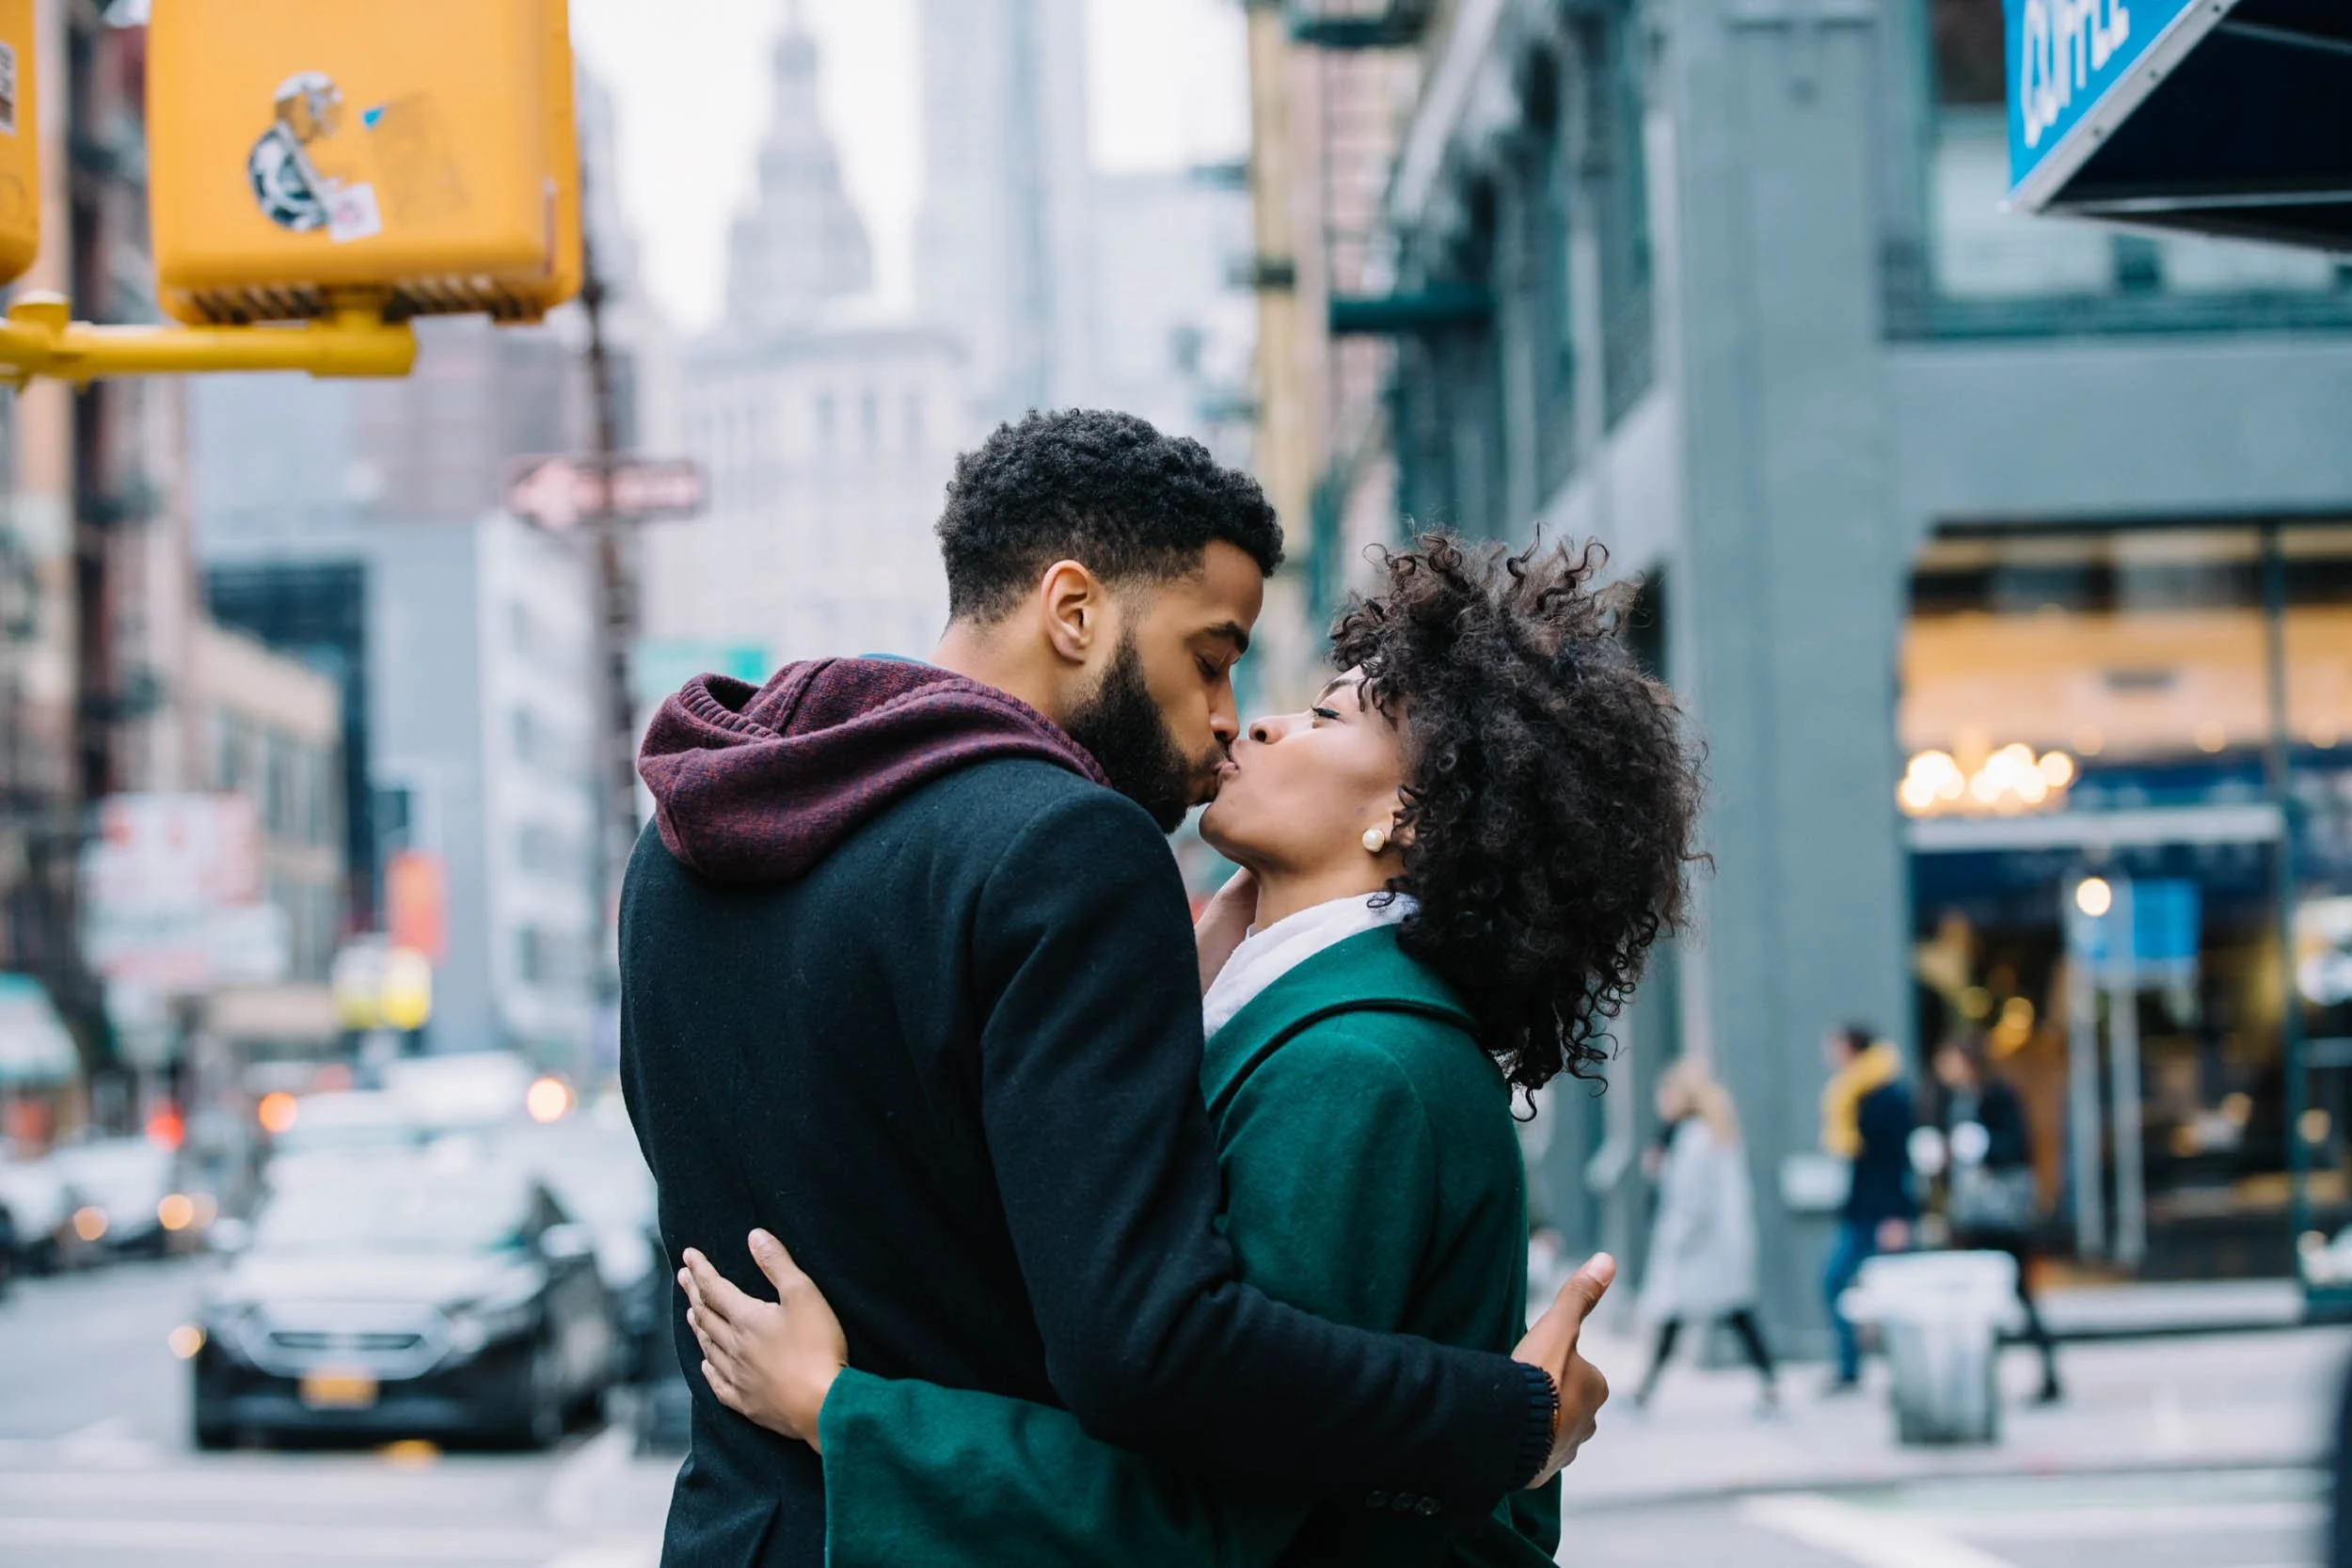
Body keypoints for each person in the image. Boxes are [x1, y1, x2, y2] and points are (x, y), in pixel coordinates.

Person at [622, 415, 1619, 1568]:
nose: (1223, 714)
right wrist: (1501, 1413)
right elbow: (1150, 1348)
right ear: (1075, 610)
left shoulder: (686, 839)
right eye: (1209, 655)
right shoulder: (1065, 848)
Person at [1632, 1059, 1777, 1414]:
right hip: (1716, 1248)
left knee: (1688, 1315)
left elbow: (1691, 1200)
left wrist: (1674, 1240)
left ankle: (1645, 1391)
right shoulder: (1711, 1133)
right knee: (1731, 1314)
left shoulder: (1695, 1138)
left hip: (1699, 1248)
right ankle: (1645, 1391)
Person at [1933, 1031, 2062, 1404]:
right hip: (1972, 1212)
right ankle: (1983, 1379)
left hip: (2001, 1214)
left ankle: (2047, 1374)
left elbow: (2015, 1145)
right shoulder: (1957, 1100)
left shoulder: (1997, 1095)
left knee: (2017, 1292)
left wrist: (1982, 1146)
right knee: (1981, 1298)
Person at [1819, 1022, 1917, 1393]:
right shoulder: (1850, 1093)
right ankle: (1850, 1367)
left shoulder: (1887, 1096)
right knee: (1838, 1284)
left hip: (1883, 1213)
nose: (1829, 1055)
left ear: (1851, 1048)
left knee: (1883, 1292)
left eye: (1834, 1046)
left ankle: (1890, 1367)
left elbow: (1896, 1162)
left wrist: (1897, 1217)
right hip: (1860, 1210)